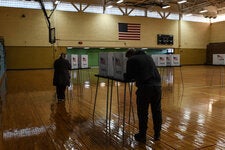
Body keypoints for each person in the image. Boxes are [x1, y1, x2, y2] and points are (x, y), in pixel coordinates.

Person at [124, 49, 162, 142]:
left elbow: (129, 76)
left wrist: (125, 75)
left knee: (143, 112)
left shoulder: (132, 60)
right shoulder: (148, 57)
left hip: (145, 88)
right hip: (157, 86)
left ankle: (142, 135)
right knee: (157, 111)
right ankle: (157, 134)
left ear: (130, 55)